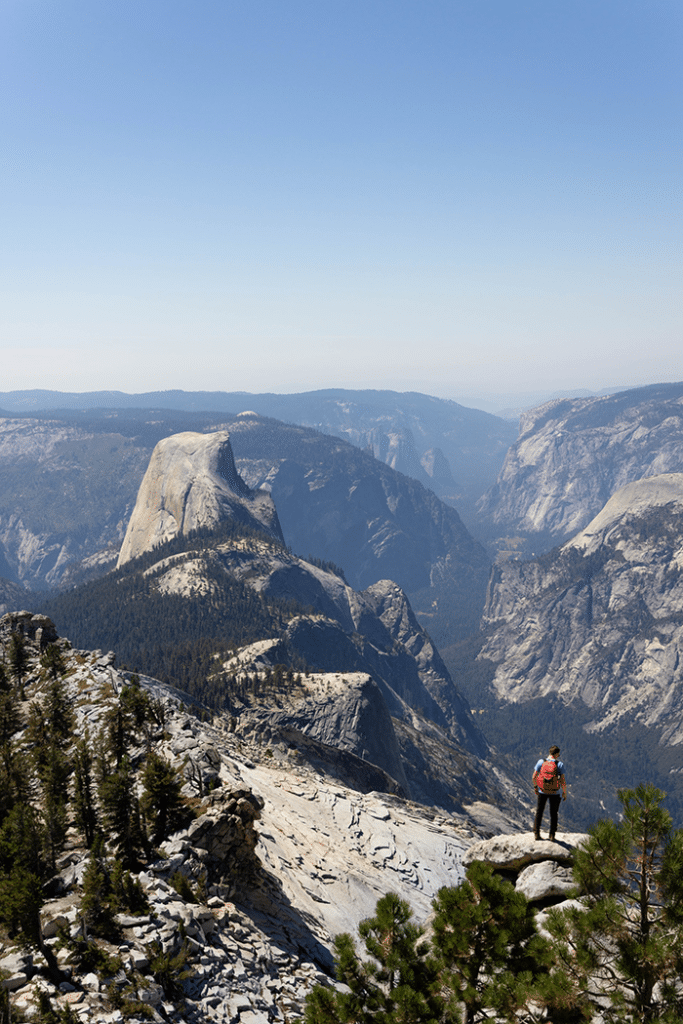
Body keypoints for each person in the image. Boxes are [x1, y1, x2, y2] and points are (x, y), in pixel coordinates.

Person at [532, 744, 567, 841]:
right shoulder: (559, 764)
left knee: (539, 812)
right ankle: (552, 835)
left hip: (542, 791)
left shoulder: (541, 762)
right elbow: (562, 781)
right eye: (558, 755)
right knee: (553, 813)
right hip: (554, 792)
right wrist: (564, 792)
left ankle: (536, 834)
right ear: (556, 754)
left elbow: (534, 776)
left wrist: (536, 787)